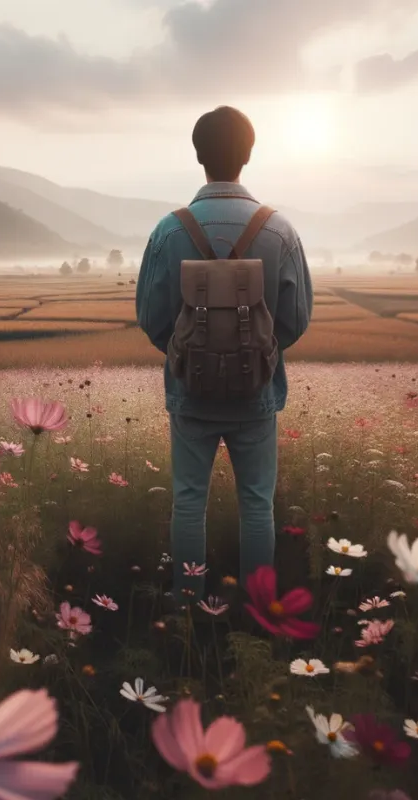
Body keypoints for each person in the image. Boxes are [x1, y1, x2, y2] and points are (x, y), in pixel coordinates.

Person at [134, 106, 313, 601]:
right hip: (255, 396)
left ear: (198, 155)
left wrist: (188, 356)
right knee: (258, 505)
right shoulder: (279, 230)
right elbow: (296, 320)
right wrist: (257, 354)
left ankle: (188, 608)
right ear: (249, 155)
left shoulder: (169, 231)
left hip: (190, 393)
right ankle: (258, 608)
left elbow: (151, 318)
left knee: (189, 502)